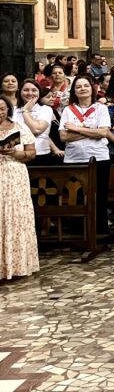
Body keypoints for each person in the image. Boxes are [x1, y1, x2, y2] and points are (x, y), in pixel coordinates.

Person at [60, 75, 112, 235]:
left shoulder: (100, 109)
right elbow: (64, 136)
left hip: (99, 158)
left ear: (93, 88)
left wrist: (77, 128)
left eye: (86, 86)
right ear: (74, 91)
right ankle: (78, 231)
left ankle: (99, 231)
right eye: (78, 86)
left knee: (99, 195)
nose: (82, 89)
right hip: (74, 159)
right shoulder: (68, 110)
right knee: (76, 195)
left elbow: (103, 132)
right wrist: (91, 130)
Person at [0, 95, 40, 279]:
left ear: (8, 109)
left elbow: (32, 153)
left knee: (15, 215)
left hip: (15, 173)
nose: (0, 112)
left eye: (2, 108)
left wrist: (16, 152)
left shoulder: (19, 127)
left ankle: (17, 265)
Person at [15, 80, 60, 164]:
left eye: (34, 90)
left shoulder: (45, 109)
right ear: (20, 92)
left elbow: (36, 130)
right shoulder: (13, 110)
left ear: (39, 93)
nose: (30, 93)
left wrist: (25, 111)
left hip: (40, 154)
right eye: (26, 90)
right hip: (18, 154)